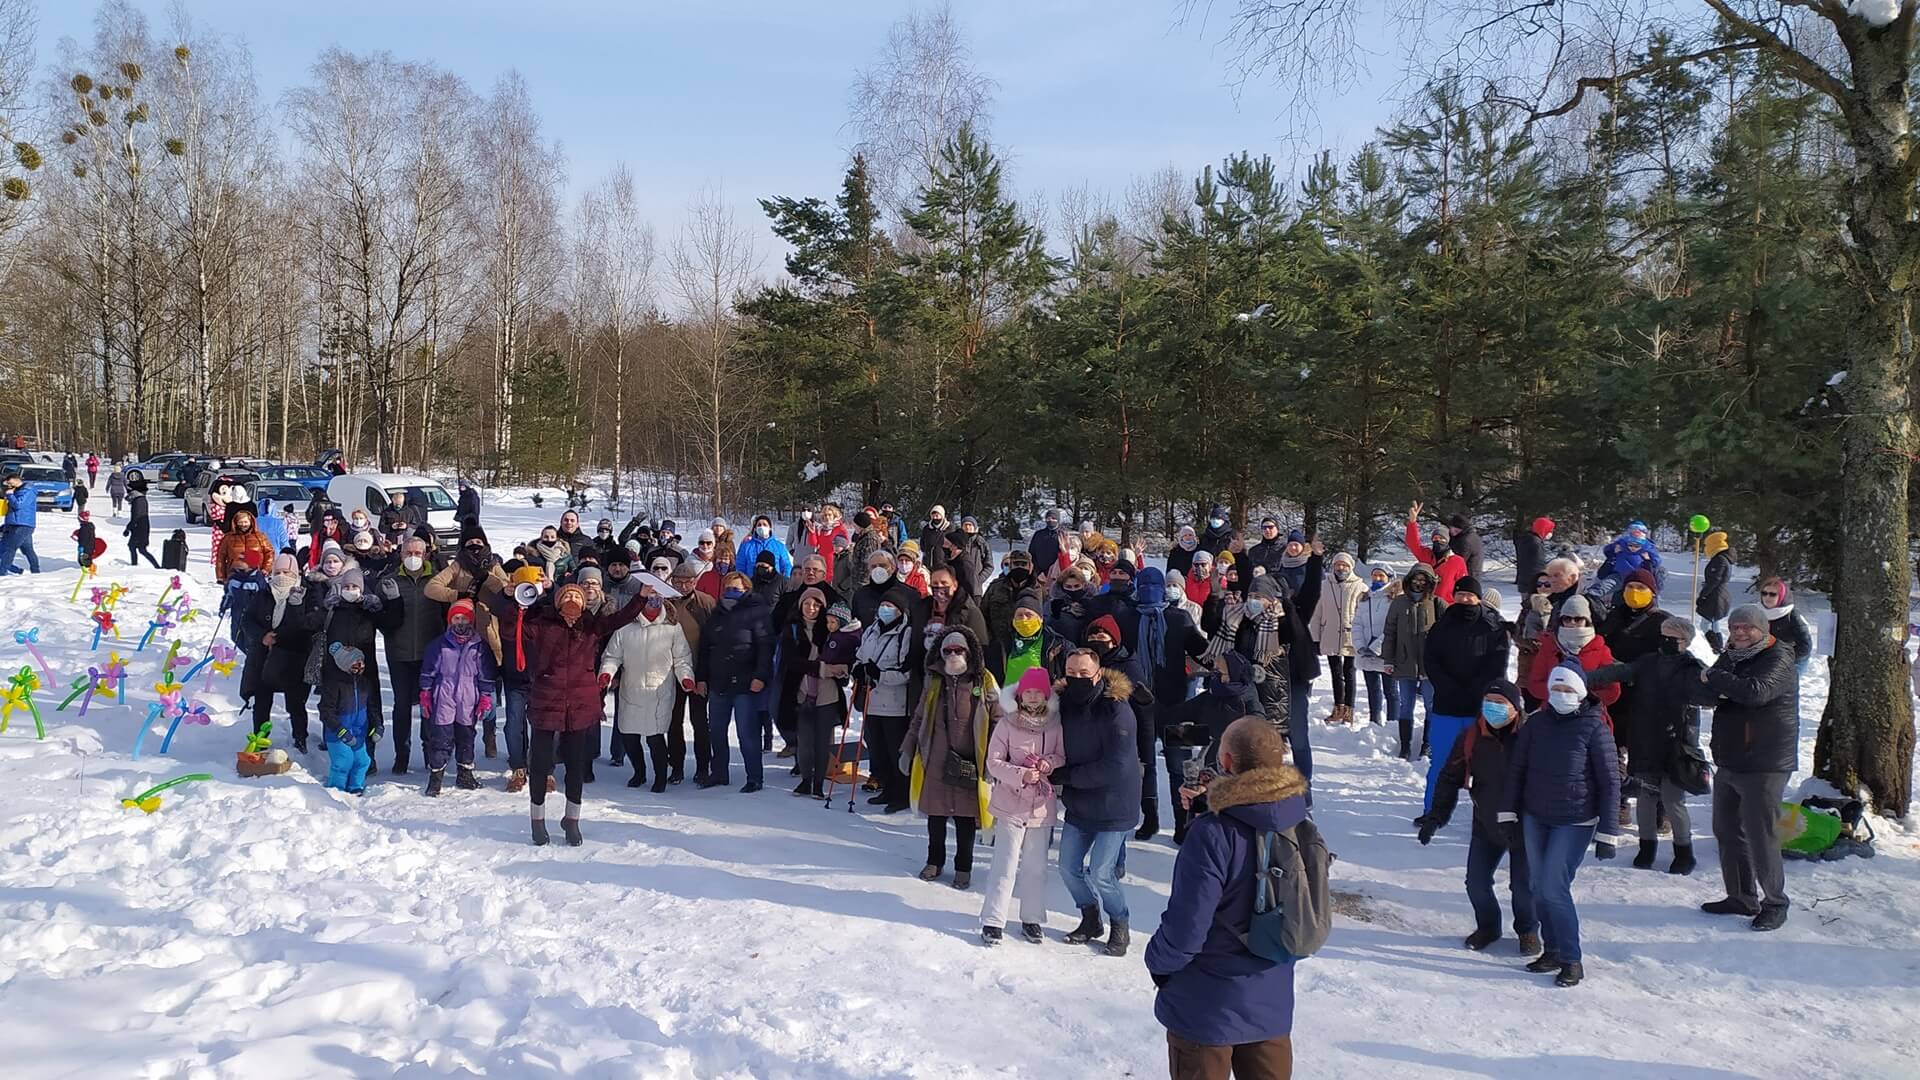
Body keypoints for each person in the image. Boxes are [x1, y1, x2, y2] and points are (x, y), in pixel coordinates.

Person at [1146, 716, 1307, 1079]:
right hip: (1271, 1001)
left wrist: (1157, 962)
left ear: (1228, 762)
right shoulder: (1299, 822)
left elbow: (1186, 931)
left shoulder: (1213, 836)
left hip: (1207, 1007)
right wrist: (1213, 805)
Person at [1498, 664, 1621, 988]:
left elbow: (1610, 782)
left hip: (1575, 820)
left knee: (1554, 887)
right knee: (1538, 886)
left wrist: (1609, 832)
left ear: (1580, 693)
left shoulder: (1594, 728)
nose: (1560, 696)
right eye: (1556, 689)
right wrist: (1508, 812)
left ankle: (1571, 958)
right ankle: (1551, 949)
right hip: (1536, 816)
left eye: (1567, 690)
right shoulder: (1536, 724)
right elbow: (1517, 770)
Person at [1696, 603, 1799, 931]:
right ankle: (1741, 896)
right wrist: (1712, 683)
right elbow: (1713, 692)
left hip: (1765, 760)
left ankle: (1775, 902)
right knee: (1726, 830)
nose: (1740, 632)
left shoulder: (1778, 656)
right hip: (1730, 757)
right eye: (1735, 627)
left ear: (1762, 629)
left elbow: (1756, 692)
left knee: (1760, 835)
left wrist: (1714, 677)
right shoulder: (1731, 655)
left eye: (1747, 627)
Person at [521, 581, 648, 844]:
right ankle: (537, 819)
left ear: (583, 604)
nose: (572, 600)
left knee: (576, 765)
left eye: (576, 597)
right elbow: (513, 629)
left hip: (580, 703)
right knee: (540, 763)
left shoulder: (592, 627)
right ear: (556, 603)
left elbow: (620, 618)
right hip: (546, 701)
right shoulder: (541, 624)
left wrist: (642, 597)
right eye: (566, 595)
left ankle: (572, 819)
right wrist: (521, 602)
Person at [1421, 679, 1540, 956]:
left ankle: (1527, 930)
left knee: (1523, 887)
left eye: (1501, 704)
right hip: (1486, 821)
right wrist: (1435, 817)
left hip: (1524, 826)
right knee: (1476, 881)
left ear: (1515, 708)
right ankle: (1488, 926)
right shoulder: (1472, 736)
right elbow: (1449, 777)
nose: (1493, 708)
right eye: (1489, 702)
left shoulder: (1531, 737)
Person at [1587, 617, 1705, 875]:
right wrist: (1586, 677)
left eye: (1672, 638)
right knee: (1645, 798)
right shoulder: (1648, 662)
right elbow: (1620, 671)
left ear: (1685, 642)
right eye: (1662, 635)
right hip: (1644, 740)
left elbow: (1706, 694)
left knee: (1673, 801)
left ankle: (1684, 852)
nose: (1665, 641)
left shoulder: (1692, 668)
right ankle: (1646, 847)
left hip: (1677, 745)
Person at [1052, 647, 1142, 956]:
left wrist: (1067, 776)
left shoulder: (1116, 709)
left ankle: (1120, 923)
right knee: (1067, 866)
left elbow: (1116, 765)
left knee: (1102, 873)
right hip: (1081, 802)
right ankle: (1090, 918)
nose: (1077, 679)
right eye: (1071, 673)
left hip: (1115, 803)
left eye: (1084, 674)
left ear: (1098, 674)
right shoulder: (1062, 704)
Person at [900, 627, 999, 889]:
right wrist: (908, 748)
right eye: (948, 650)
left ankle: (963, 867)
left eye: (959, 650)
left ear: (969, 652)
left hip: (971, 760)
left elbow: (998, 719)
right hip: (936, 758)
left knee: (966, 820)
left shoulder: (984, 680)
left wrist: (995, 757)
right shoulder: (934, 680)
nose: (953, 654)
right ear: (941, 653)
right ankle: (935, 861)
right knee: (936, 816)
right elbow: (920, 717)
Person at [980, 666, 1065, 945]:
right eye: (1027, 691)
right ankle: (993, 920)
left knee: (1036, 866)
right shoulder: (1007, 723)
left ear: (1045, 695)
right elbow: (993, 762)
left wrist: (1048, 763)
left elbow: (1061, 755)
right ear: (1019, 694)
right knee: (1005, 863)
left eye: (1037, 692)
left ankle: (1031, 918)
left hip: (1041, 807)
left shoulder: (1055, 724)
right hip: (1010, 805)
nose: (1031, 696)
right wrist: (1020, 774)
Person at [600, 571, 697, 793]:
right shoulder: (625, 628)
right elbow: (612, 656)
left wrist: (686, 678)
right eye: (649, 596)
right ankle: (639, 772)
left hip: (659, 691)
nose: (653, 600)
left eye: (657, 596)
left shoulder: (672, 628)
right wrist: (607, 673)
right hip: (631, 690)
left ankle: (660, 777)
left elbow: (682, 658)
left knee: (655, 738)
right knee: (629, 736)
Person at [1420, 577, 1510, 813]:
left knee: (1483, 765)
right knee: (1440, 761)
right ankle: (1432, 810)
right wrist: (1447, 686)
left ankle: (1485, 814)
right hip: (1446, 705)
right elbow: (1431, 660)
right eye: (1460, 595)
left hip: (1479, 707)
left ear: (1478, 598)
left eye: (1469, 595)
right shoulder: (1441, 626)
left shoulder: (1493, 627)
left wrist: (1478, 689)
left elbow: (1498, 665)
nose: (1465, 600)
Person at [695, 570, 775, 792]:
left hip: (746, 683)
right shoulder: (716, 614)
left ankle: (754, 777)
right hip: (719, 682)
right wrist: (701, 678)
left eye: (737, 589)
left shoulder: (757, 612)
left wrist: (760, 676)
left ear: (746, 590)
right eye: (728, 588)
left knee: (747, 733)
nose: (732, 592)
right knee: (717, 731)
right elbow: (704, 650)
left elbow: (766, 648)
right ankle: (719, 772)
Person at [417, 599, 497, 796]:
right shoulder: (439, 645)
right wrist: (426, 692)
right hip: (444, 694)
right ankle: (436, 776)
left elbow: (486, 674)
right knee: (441, 737)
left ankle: (465, 773)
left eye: (464, 618)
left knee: (466, 736)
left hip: (468, 696)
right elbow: (428, 671)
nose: (460, 623)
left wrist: (485, 696)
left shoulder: (479, 647)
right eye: (456, 618)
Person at [240, 554, 316, 749]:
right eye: (278, 572)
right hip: (263, 657)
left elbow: (310, 624)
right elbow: (247, 620)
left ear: (297, 573)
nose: (282, 576)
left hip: (293, 658)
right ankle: (259, 739)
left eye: (287, 572)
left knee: (295, 703)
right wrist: (262, 636)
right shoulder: (263, 593)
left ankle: (300, 738)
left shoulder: (308, 593)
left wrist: (283, 638)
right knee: (262, 701)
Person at [856, 592, 917, 812]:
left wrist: (880, 674)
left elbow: (906, 673)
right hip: (872, 700)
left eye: (890, 606)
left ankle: (901, 793)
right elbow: (861, 654)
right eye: (882, 605)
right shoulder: (871, 629)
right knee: (878, 748)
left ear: (900, 610)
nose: (884, 609)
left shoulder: (905, 633)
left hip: (895, 704)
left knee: (895, 751)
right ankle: (887, 789)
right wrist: (858, 668)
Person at [1526, 596, 1622, 723]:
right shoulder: (1549, 647)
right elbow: (1534, 684)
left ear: (1587, 620)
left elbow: (1613, 691)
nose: (1572, 623)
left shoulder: (1601, 650)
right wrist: (1559, 696)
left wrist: (1582, 698)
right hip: (1552, 716)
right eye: (1567, 618)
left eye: (1578, 619)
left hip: (1589, 718)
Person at [1382, 564, 1444, 759]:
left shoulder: (1437, 603)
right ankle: (1405, 746)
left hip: (1430, 665)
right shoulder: (1399, 603)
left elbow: (1447, 635)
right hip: (1404, 661)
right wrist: (1388, 659)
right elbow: (1390, 632)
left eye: (1423, 580)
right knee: (1405, 705)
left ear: (1430, 583)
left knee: (1431, 705)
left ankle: (1427, 744)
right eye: (1415, 579)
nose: (1418, 583)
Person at [667, 558, 715, 784]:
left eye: (688, 582)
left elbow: (711, 643)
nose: (683, 586)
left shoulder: (706, 603)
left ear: (695, 582)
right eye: (678, 582)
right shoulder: (665, 603)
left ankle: (703, 767)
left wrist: (704, 676)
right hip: (670, 674)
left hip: (698, 672)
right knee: (673, 722)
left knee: (699, 722)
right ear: (672, 581)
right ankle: (676, 766)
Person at [1309, 552, 1366, 724]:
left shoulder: (1360, 587)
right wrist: (1315, 637)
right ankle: (1338, 706)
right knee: (1335, 672)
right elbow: (1317, 613)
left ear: (1350, 567)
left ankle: (1349, 709)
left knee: (1349, 673)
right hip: (1330, 634)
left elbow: (1364, 615)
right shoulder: (1324, 586)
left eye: (1344, 565)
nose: (1341, 568)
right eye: (1337, 565)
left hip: (1351, 636)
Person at [1351, 565, 1399, 727]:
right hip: (1365, 651)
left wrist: (1377, 647)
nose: (1377, 579)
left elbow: (1393, 627)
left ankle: (1393, 723)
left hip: (1387, 651)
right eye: (1374, 575)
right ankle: (1374, 721)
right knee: (1372, 689)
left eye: (1381, 576)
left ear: (1389, 578)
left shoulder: (1394, 599)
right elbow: (1356, 623)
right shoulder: (1365, 598)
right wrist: (1360, 645)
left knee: (1391, 691)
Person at [1404, 501, 1467, 601]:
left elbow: (1464, 586)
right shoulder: (1426, 556)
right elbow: (1413, 543)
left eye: (1442, 539)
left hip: (1446, 606)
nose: (1438, 541)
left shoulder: (1457, 561)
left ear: (1447, 541)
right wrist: (1412, 523)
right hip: (1425, 603)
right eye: (1435, 538)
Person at [1756, 576, 1815, 675]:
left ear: (1782, 596)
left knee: (1783, 688)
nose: (1767, 597)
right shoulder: (1757, 612)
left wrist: (1784, 658)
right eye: (1764, 593)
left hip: (1794, 661)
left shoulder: (1792, 616)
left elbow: (1805, 647)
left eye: (1772, 594)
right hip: (1768, 658)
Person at [1696, 531, 1732, 653]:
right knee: (1713, 622)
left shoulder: (1720, 560)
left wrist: (1703, 594)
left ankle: (1715, 646)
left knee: (1707, 623)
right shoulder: (1722, 559)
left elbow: (1715, 580)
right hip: (1717, 595)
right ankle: (1716, 645)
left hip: (1716, 597)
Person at [0, 468, 41, 574]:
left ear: (15, 480)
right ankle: (29, 571)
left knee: (10, 548)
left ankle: (2, 572)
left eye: (9, 483)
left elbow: (19, 505)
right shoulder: (14, 491)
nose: (8, 485)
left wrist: (10, 495)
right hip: (11, 524)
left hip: (23, 524)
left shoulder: (28, 491)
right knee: (27, 549)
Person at [1447, 513, 1485, 580]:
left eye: (1456, 530)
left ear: (1462, 528)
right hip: (1473, 575)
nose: (1452, 531)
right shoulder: (1470, 536)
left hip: (1468, 576)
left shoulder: (1466, 541)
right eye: (1451, 528)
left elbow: (1459, 560)